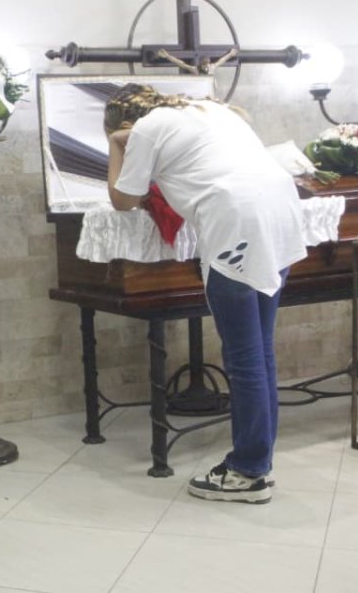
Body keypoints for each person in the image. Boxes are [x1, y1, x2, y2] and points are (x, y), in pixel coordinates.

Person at [104, 84, 307, 504]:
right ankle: (258, 461)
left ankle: (248, 471)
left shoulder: (145, 129)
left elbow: (123, 198)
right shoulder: (209, 109)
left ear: (125, 122)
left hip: (236, 222)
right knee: (260, 351)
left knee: (243, 356)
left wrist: (115, 145)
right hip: (281, 214)